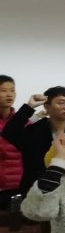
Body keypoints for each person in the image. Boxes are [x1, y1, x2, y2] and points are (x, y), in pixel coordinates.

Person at [2, 86, 65, 196]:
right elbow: (9, 133)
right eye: (61, 103)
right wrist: (29, 107)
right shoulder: (35, 131)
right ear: (46, 106)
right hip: (36, 192)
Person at [0, 75, 23, 208]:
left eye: (12, 90)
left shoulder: (23, 121)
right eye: (3, 90)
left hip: (18, 186)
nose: (9, 95)